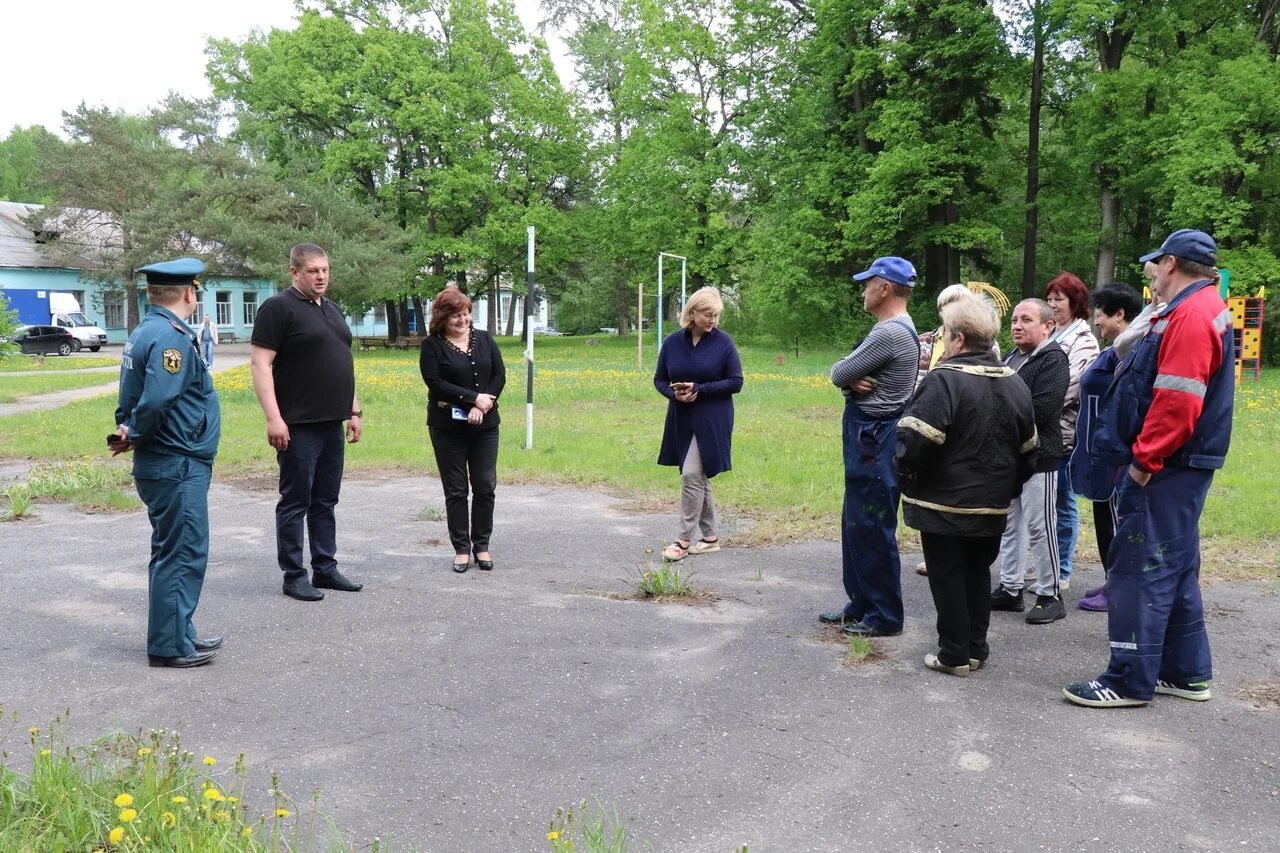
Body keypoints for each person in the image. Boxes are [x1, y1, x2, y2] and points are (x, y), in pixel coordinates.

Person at [1064, 229, 1234, 708]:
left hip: (1167, 466)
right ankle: (1185, 673)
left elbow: (1177, 402)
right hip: (1177, 464)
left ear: (1172, 264)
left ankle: (1127, 679)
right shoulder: (1190, 309)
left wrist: (1142, 465)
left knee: (1140, 566)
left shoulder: (1193, 314)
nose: (1152, 275)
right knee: (1174, 566)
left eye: (1155, 266)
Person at [898, 297, 1037, 676]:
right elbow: (1029, 451)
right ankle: (976, 647)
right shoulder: (1016, 382)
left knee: (947, 576)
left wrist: (906, 475)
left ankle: (954, 654)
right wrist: (1005, 488)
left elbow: (914, 442)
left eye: (945, 334)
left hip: (943, 503)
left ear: (957, 340)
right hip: (992, 504)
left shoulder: (944, 380)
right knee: (978, 573)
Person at [112, 258, 222, 668]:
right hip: (177, 460)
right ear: (189, 293)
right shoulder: (170, 336)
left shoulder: (146, 331)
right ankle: (170, 645)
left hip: (165, 460)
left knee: (170, 550)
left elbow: (132, 394)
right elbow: (157, 397)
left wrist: (128, 428)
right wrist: (136, 431)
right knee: (183, 552)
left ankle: (180, 633)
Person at [250, 243, 364, 602]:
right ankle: (294, 574)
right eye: (313, 270)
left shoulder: (331, 309)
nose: (321, 276)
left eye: (325, 270)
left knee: (326, 499)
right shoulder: (278, 308)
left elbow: (342, 361)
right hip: (297, 424)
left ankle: (325, 568)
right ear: (294, 272)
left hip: (332, 420)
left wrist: (354, 410)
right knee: (296, 499)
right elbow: (260, 365)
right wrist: (274, 418)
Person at [819, 256, 919, 637]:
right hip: (870, 439)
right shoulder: (897, 329)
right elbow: (850, 376)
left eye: (867, 284)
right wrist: (850, 379)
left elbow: (839, 372)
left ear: (884, 288)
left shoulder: (889, 333)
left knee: (873, 527)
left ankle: (884, 614)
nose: (863, 291)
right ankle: (861, 603)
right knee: (856, 524)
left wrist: (847, 377)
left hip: (874, 441)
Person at [990, 299, 1070, 624]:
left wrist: (997, 416)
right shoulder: (1012, 357)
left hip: (1041, 456)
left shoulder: (1053, 359)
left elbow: (1043, 409)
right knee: (1011, 525)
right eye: (1014, 320)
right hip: (1010, 456)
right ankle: (1010, 589)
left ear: (1047, 326)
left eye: (1026, 319)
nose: (1017, 325)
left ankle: (1050, 594)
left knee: (1041, 526)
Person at [419, 287, 506, 572]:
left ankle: (482, 546)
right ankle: (461, 548)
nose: (463, 319)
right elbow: (435, 381)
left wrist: (482, 405)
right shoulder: (431, 345)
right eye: (456, 314)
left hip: (486, 425)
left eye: (466, 313)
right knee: (456, 490)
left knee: (484, 485)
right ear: (443, 317)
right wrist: (471, 399)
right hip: (447, 428)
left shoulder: (484, 339)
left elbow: (498, 374)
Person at [653, 287, 743, 562]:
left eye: (716, 315)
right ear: (692, 313)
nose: (713, 320)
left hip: (713, 418)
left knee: (692, 474)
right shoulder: (672, 343)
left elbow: (736, 382)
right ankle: (711, 538)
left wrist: (699, 388)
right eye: (708, 314)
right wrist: (675, 393)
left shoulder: (723, 343)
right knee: (697, 476)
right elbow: (659, 379)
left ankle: (682, 540)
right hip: (682, 417)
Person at [1071, 283, 1145, 612]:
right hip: (1099, 453)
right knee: (1104, 518)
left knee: (1116, 523)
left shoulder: (1134, 350)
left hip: (1118, 455)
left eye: (1100, 315)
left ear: (1120, 315)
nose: (1096, 321)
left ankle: (1122, 590)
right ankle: (1112, 580)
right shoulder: (1112, 350)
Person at [1044, 273, 1100, 591]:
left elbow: (1072, 385)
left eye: (1059, 299)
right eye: (1049, 299)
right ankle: (1047, 565)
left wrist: (1037, 402)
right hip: (1042, 429)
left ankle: (1062, 570)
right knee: (1045, 503)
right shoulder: (1051, 334)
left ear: (1075, 304)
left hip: (1065, 432)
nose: (1052, 305)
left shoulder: (1083, 340)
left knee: (1063, 501)